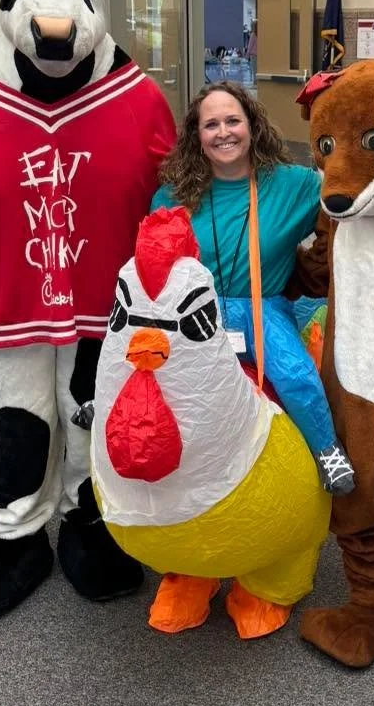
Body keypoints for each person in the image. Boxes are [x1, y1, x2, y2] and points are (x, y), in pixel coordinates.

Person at [151, 82, 355, 495]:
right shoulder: (172, 196)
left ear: (252, 126)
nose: (223, 132)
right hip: (192, 309)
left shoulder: (293, 185)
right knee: (150, 364)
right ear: (197, 136)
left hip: (263, 308)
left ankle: (327, 451)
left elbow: (350, 189)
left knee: (295, 374)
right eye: (211, 124)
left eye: (232, 120)